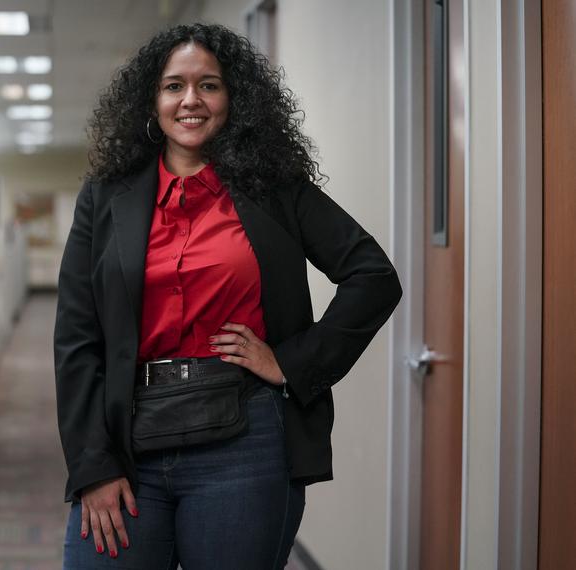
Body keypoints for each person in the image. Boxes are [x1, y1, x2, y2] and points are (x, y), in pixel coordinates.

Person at [54, 23, 402, 570]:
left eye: (209, 85)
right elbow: (76, 338)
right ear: (152, 99)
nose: (191, 100)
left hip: (246, 442)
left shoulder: (275, 189)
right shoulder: (105, 197)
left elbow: (373, 276)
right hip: (129, 437)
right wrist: (92, 463)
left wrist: (292, 362)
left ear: (233, 97)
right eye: (174, 86)